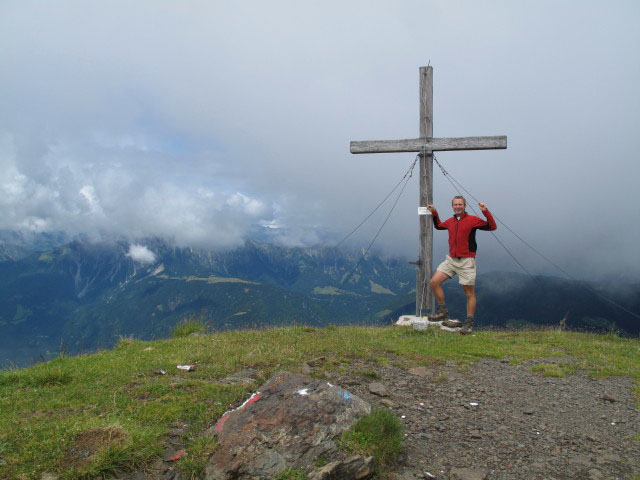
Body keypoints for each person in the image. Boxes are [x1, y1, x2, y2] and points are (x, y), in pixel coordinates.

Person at [426, 196, 497, 334]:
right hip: (451, 260)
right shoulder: (451, 221)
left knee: (469, 293)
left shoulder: (473, 220)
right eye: (455, 204)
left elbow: (492, 226)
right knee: (434, 282)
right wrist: (434, 213)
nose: (457, 206)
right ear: (452, 206)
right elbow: (439, 226)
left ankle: (469, 324)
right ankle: (443, 313)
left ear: (465, 206)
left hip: (466, 261)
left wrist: (485, 211)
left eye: (460, 204)